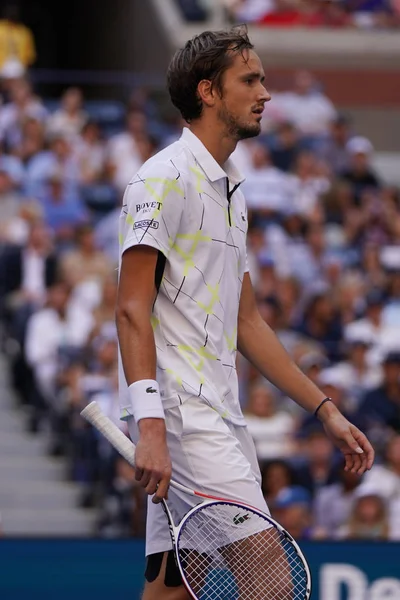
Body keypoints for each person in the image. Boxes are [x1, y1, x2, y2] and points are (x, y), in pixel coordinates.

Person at [116, 25, 375, 600]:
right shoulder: (161, 178)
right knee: (268, 573)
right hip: (181, 415)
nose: (266, 92)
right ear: (208, 92)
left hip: (221, 410)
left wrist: (324, 410)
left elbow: (247, 323)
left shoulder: (234, 188)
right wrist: (151, 424)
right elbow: (131, 309)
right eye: (251, 80)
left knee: (174, 588)